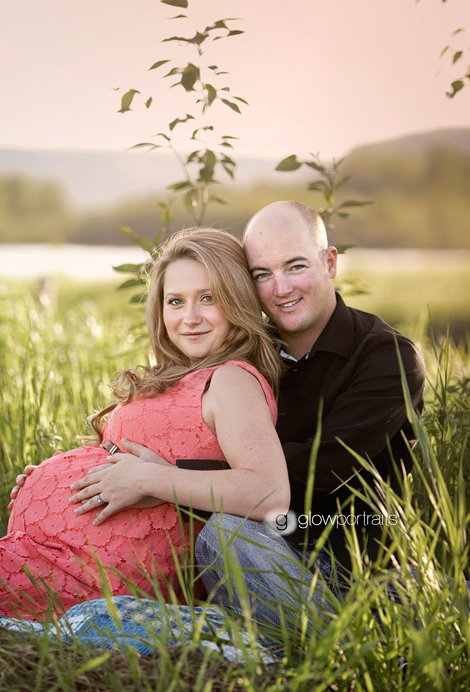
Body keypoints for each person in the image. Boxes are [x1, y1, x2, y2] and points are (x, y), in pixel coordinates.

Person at [0, 228, 289, 621]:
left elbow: (269, 493)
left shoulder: (231, 379)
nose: (190, 317)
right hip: (62, 554)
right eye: (175, 301)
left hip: (99, 572)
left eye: (208, 298)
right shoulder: (184, 373)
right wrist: (51, 478)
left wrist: (146, 478)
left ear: (237, 300)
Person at [62, 201, 426, 629]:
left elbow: (315, 473)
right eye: (261, 274)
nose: (281, 289)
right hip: (264, 542)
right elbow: (179, 427)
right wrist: (68, 478)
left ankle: (340, 649)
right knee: (220, 534)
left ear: (329, 263)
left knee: (226, 534)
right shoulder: (246, 350)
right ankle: (261, 635)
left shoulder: (387, 357)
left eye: (295, 267)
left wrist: (165, 478)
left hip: (353, 561)